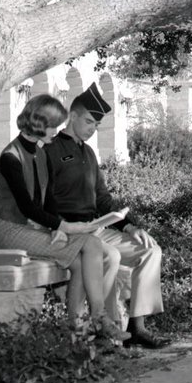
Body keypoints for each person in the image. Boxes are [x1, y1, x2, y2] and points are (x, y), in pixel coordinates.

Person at [0, 94, 129, 340]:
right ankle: (99, 318)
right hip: (13, 231)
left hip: (35, 229)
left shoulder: (40, 152)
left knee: (79, 264)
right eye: (53, 125)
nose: (56, 131)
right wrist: (65, 226)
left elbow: (48, 201)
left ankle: (75, 330)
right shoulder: (10, 156)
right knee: (92, 243)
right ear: (38, 124)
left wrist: (57, 227)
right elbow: (26, 207)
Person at [45, 83, 170, 349]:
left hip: (99, 229)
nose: (92, 129)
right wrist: (64, 226)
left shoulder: (89, 153)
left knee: (151, 250)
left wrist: (129, 227)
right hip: (71, 232)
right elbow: (41, 200)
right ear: (73, 115)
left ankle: (137, 328)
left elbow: (102, 199)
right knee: (107, 257)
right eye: (88, 122)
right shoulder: (50, 150)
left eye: (96, 125)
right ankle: (108, 332)